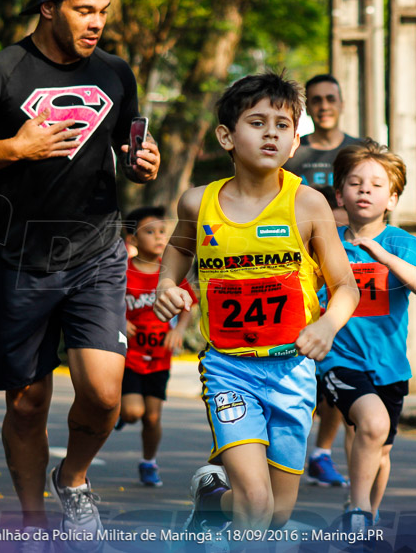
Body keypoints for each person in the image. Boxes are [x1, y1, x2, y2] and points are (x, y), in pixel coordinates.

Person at [0, 0, 160, 545]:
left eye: (103, 11)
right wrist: (12, 149)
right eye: (84, 10)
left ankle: (73, 477)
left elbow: (131, 145)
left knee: (106, 396)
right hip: (21, 257)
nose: (96, 22)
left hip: (97, 252)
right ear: (49, 8)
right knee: (28, 403)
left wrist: (142, 164)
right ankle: (33, 524)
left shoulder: (115, 72)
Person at [153, 71, 359, 533]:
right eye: (257, 122)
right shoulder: (197, 203)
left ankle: (211, 502)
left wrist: (326, 326)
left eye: (282, 125)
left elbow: (346, 285)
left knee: (275, 515)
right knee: (255, 501)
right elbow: (180, 250)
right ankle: (227, 503)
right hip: (230, 368)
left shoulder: (308, 205)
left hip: (292, 371)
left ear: (295, 142)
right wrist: (167, 284)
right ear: (226, 135)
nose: (271, 132)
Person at [319, 140, 416, 533]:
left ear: (392, 197)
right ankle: (358, 511)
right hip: (340, 358)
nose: (365, 190)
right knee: (370, 425)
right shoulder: (325, 241)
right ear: (340, 194)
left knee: (380, 449)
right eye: (355, 183)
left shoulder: (405, 245)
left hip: (389, 365)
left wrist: (385, 257)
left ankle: (365, 512)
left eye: (375, 184)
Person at [285, 74, 359, 489]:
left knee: (338, 361)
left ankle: (322, 452)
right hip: (297, 270)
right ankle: (286, 448)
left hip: (346, 267)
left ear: (341, 102)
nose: (324, 105)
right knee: (303, 363)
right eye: (316, 100)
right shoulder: (294, 156)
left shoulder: (359, 149)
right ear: (308, 108)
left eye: (331, 98)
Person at [116, 206, 196, 487]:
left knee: (152, 417)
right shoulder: (123, 272)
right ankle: (119, 412)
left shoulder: (169, 271)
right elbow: (107, 303)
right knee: (133, 412)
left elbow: (188, 302)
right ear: (133, 239)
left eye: (162, 231)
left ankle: (148, 462)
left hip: (159, 357)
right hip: (130, 356)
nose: (159, 237)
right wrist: (119, 321)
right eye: (149, 232)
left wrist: (180, 331)